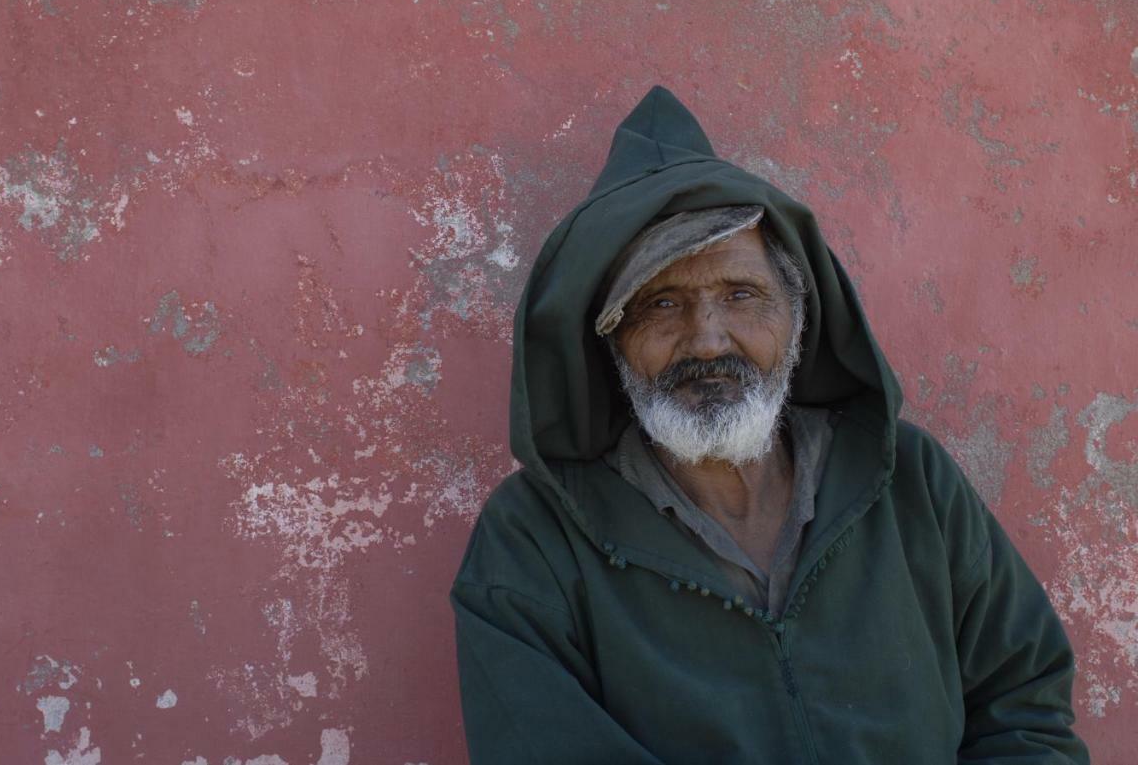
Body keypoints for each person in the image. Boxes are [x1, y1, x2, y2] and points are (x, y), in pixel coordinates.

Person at [449, 86, 1089, 764]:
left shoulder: (912, 482)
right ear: (612, 341)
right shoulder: (532, 541)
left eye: (741, 295)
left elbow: (1025, 710)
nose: (707, 341)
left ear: (799, 317)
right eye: (661, 303)